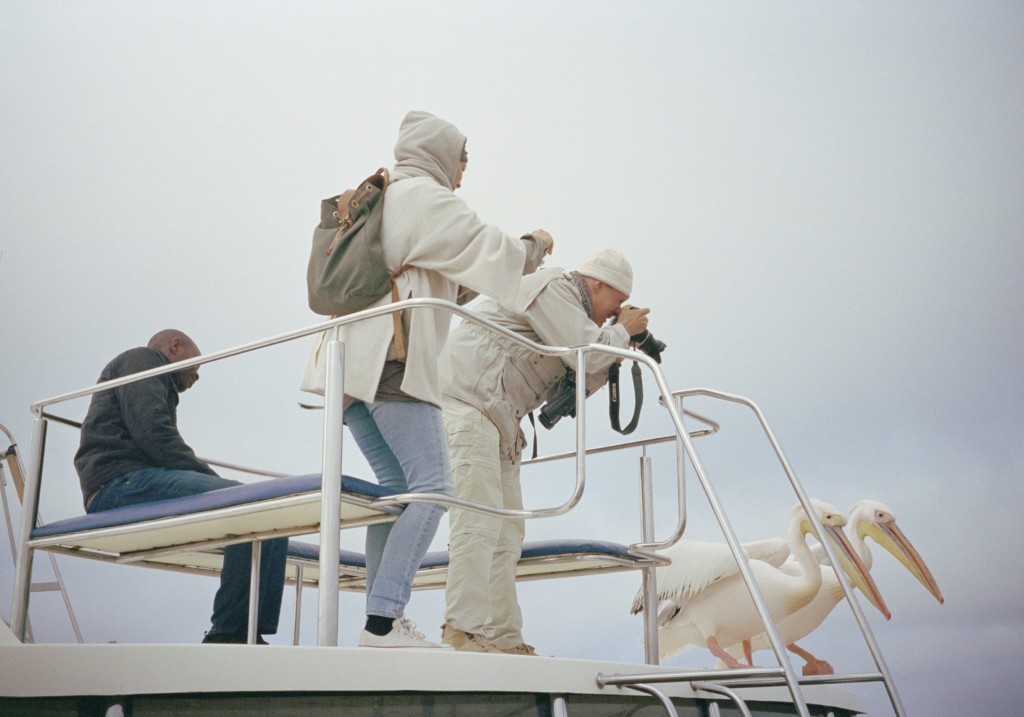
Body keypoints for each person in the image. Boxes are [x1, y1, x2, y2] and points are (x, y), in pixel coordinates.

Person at [301, 110, 553, 648]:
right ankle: (382, 622)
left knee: (397, 492)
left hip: (347, 370)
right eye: (463, 158)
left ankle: (381, 622)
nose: (465, 171)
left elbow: (440, 279)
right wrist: (535, 245)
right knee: (437, 491)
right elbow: (495, 252)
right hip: (390, 362)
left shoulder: (388, 194)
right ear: (442, 155)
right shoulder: (426, 198)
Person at [437, 249, 650, 655]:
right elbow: (585, 352)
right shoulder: (554, 288)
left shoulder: (572, 318)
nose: (616, 312)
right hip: (469, 405)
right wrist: (620, 333)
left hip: (496, 419)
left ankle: (502, 637)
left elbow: (571, 384)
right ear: (597, 284)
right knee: (479, 522)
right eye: (617, 303)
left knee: (506, 535)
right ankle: (462, 630)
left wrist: (619, 352)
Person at [74, 329, 288, 645]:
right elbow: (155, 436)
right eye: (197, 367)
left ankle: (246, 628)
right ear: (175, 346)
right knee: (257, 505)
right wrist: (216, 483)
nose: (197, 377)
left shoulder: (151, 375)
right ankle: (230, 631)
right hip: (119, 482)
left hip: (134, 480)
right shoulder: (143, 360)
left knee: (274, 516)